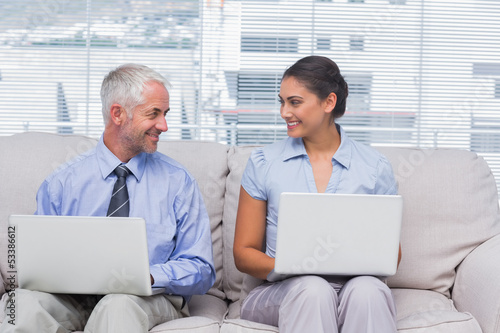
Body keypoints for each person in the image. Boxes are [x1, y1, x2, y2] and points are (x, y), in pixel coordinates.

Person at [1, 64, 216, 332]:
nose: (164, 125)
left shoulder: (178, 181)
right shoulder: (62, 182)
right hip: (74, 299)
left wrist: (148, 276)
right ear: (118, 114)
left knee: (117, 305)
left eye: (165, 114)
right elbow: (35, 263)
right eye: (154, 114)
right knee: (20, 305)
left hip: (144, 300)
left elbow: (201, 269)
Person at [233, 55, 401, 333]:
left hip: (354, 287)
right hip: (284, 290)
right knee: (313, 289)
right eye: (282, 101)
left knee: (369, 291)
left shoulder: (374, 167)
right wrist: (292, 266)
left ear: (329, 102)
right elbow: (243, 253)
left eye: (295, 102)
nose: (284, 112)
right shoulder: (264, 162)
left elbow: (391, 256)